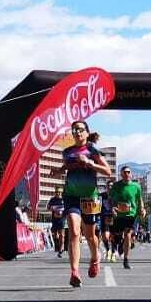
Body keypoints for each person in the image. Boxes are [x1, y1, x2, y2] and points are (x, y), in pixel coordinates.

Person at [60, 120, 109, 287]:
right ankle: (74, 272)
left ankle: (95, 257)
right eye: (74, 130)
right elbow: (67, 166)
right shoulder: (67, 151)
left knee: (90, 236)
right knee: (74, 231)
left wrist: (90, 163)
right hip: (71, 196)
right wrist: (58, 170)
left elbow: (107, 172)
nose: (77, 132)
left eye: (80, 130)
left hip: (90, 197)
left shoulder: (92, 150)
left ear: (87, 133)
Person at [110, 164, 146, 269]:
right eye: (124, 172)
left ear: (131, 174)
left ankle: (126, 259)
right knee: (117, 236)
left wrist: (142, 209)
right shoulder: (116, 186)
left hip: (131, 215)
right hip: (119, 215)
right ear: (121, 174)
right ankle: (120, 243)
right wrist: (113, 207)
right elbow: (110, 199)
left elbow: (140, 200)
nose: (127, 174)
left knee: (128, 234)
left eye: (128, 172)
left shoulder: (136, 186)